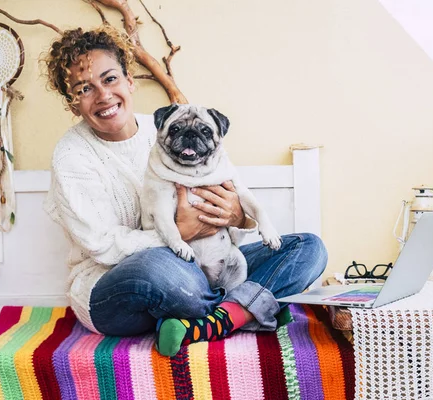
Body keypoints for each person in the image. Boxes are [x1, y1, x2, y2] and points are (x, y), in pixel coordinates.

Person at [42, 26, 327, 357]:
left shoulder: (172, 125)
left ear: (129, 80)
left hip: (203, 263)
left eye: (109, 79)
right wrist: (179, 233)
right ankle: (248, 307)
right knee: (168, 273)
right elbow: (103, 248)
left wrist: (238, 216)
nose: (103, 95)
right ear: (72, 105)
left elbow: (231, 213)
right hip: (117, 286)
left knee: (309, 249)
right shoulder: (71, 156)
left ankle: (211, 321)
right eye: (84, 89)